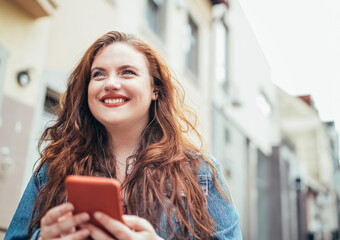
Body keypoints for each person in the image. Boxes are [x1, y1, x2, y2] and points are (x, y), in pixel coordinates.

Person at [4, 31, 242, 240]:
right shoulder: (53, 167)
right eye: (98, 74)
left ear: (154, 90)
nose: (110, 83)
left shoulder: (200, 172)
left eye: (127, 72)